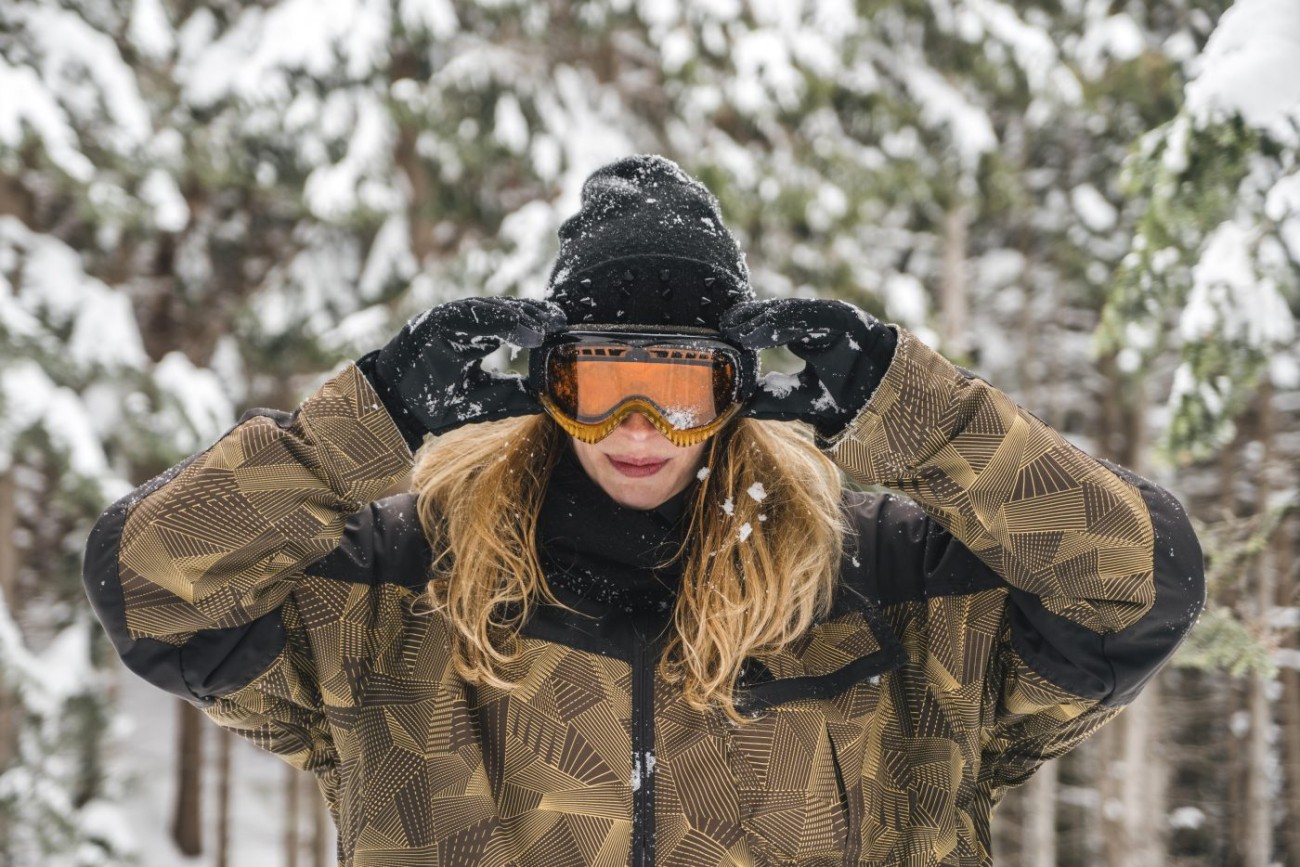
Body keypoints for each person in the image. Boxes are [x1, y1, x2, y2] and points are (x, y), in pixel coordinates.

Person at [83, 155, 1204, 867]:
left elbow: (1137, 585)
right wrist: (363, 420)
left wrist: (921, 417)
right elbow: (151, 586)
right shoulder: (394, 594)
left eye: (675, 388)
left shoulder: (893, 591)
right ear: (541, 388)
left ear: (737, 394)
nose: (635, 426)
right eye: (599, 383)